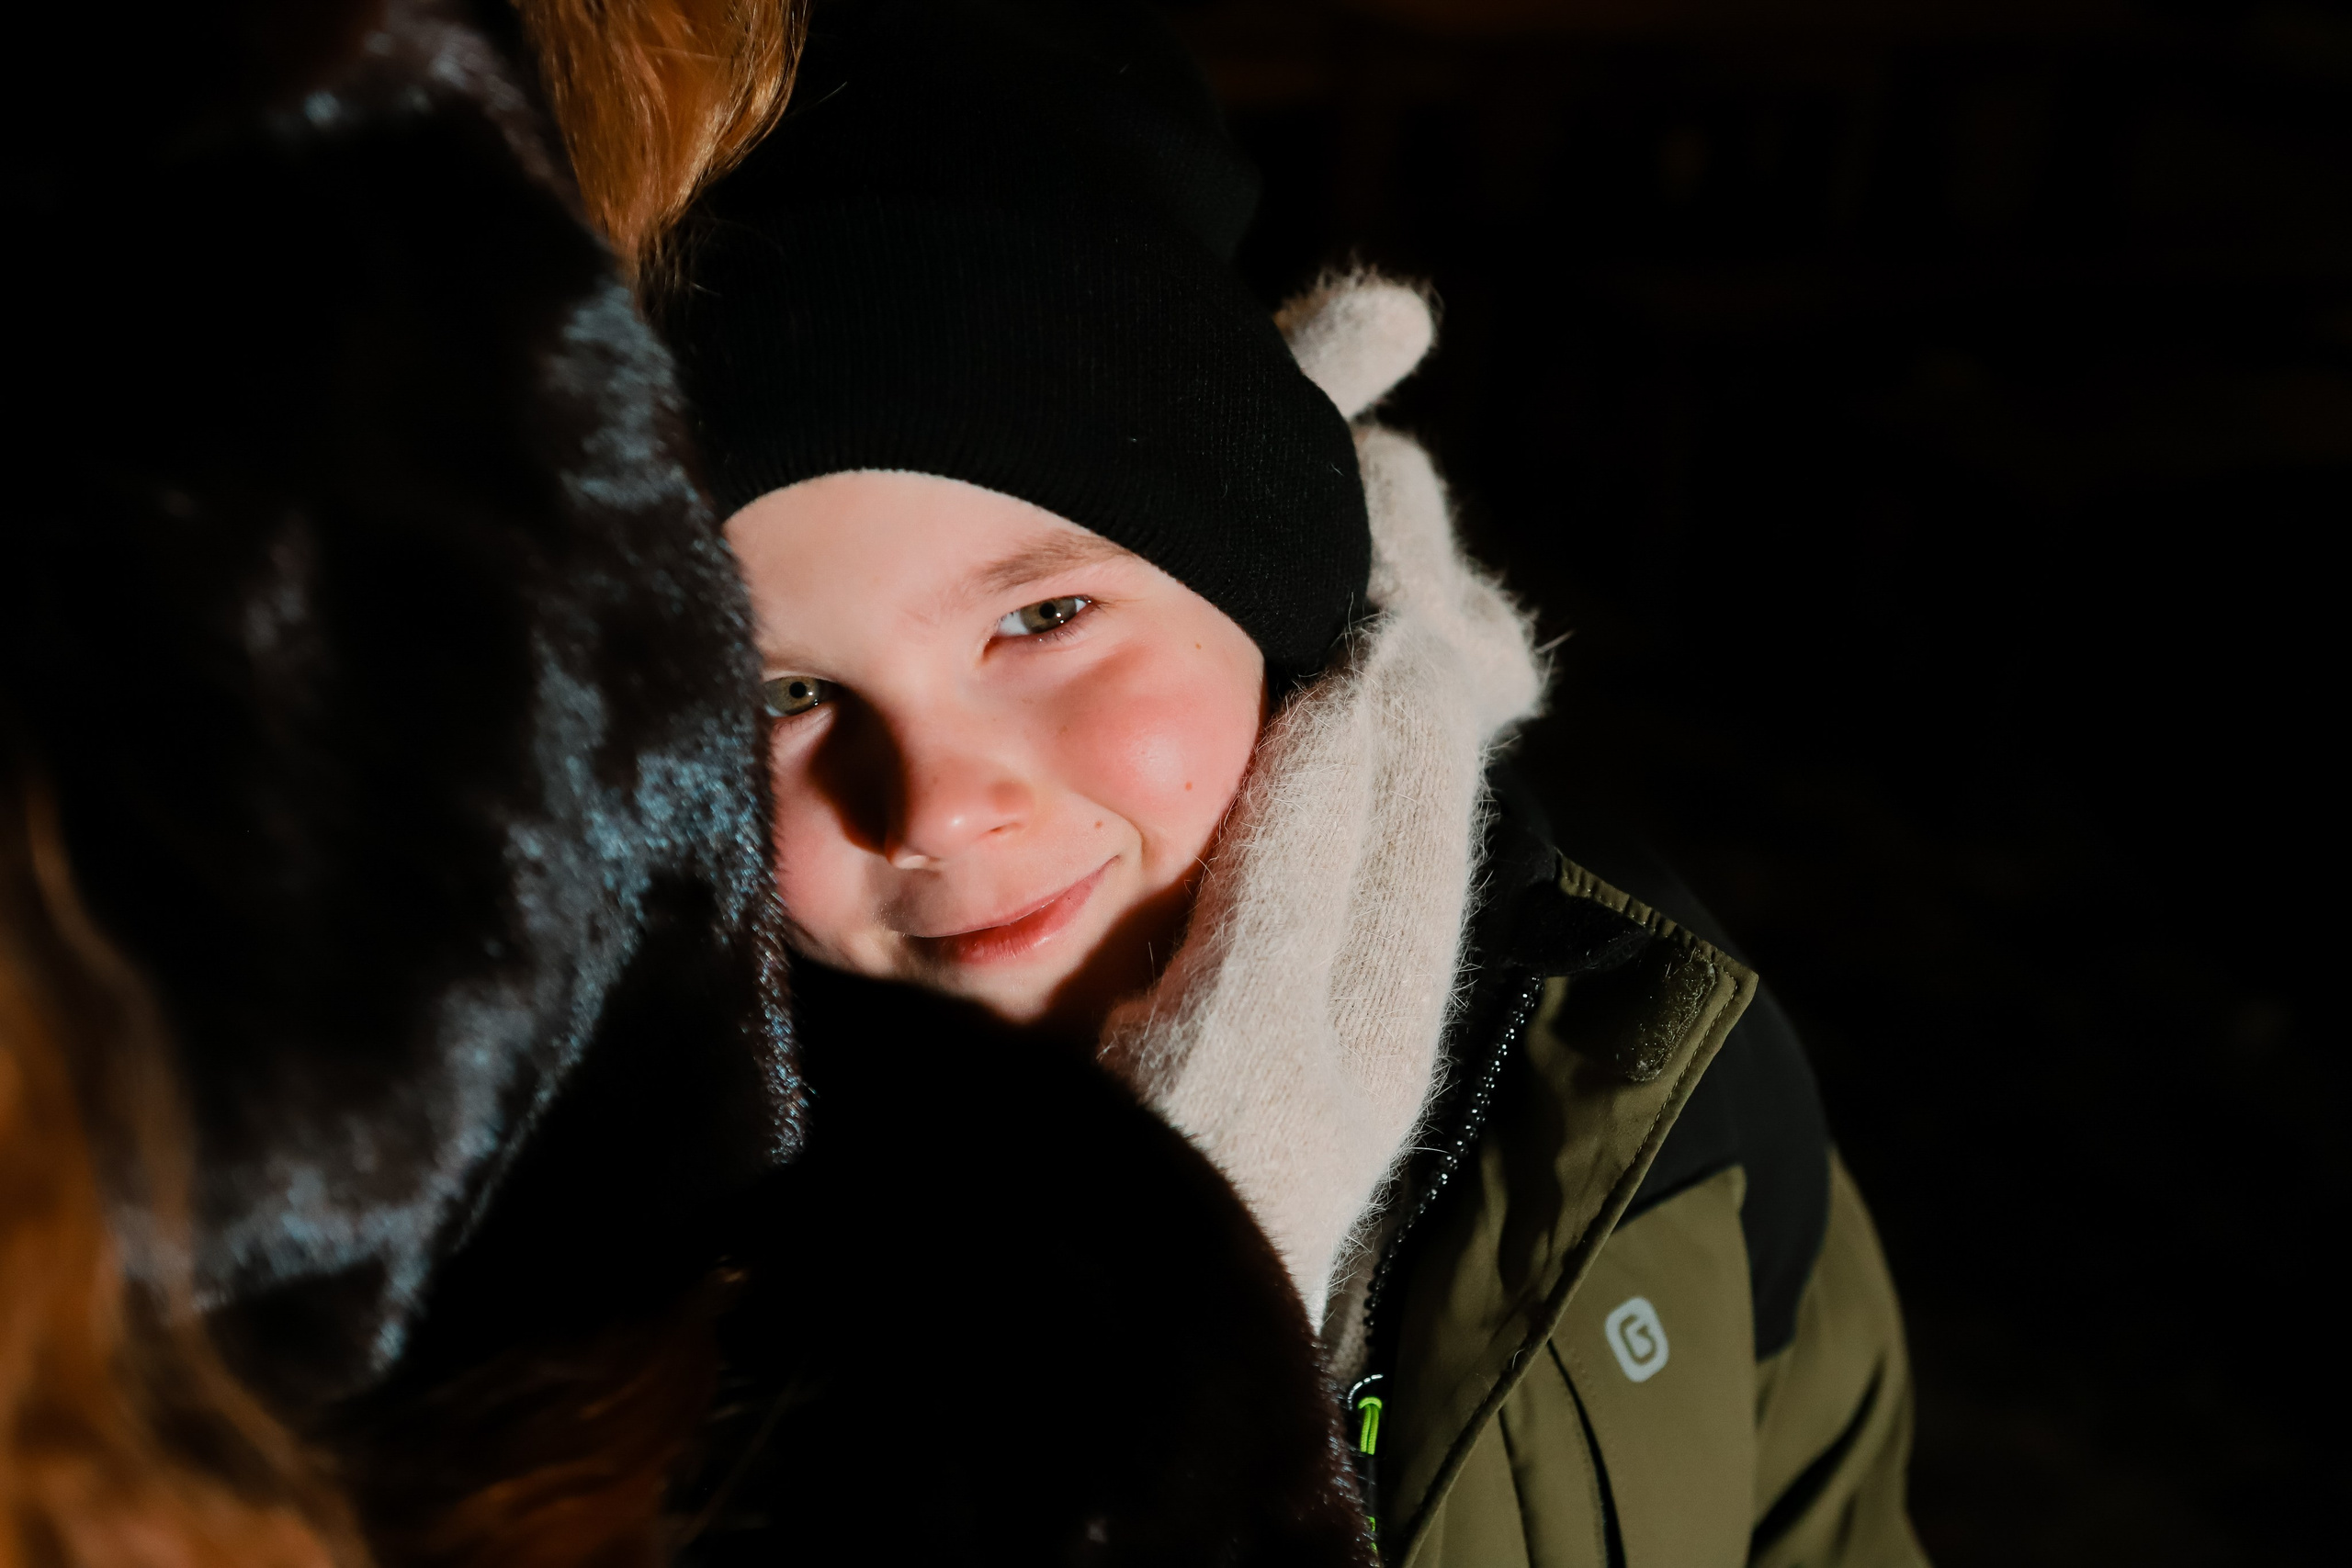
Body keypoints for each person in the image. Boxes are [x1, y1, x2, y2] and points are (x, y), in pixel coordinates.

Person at [661, 2, 1927, 1564]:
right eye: (781, 690)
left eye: (1043, 617)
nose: (931, 800)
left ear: (1259, 579)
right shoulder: (643, 1229)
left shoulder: (1625, 1050)